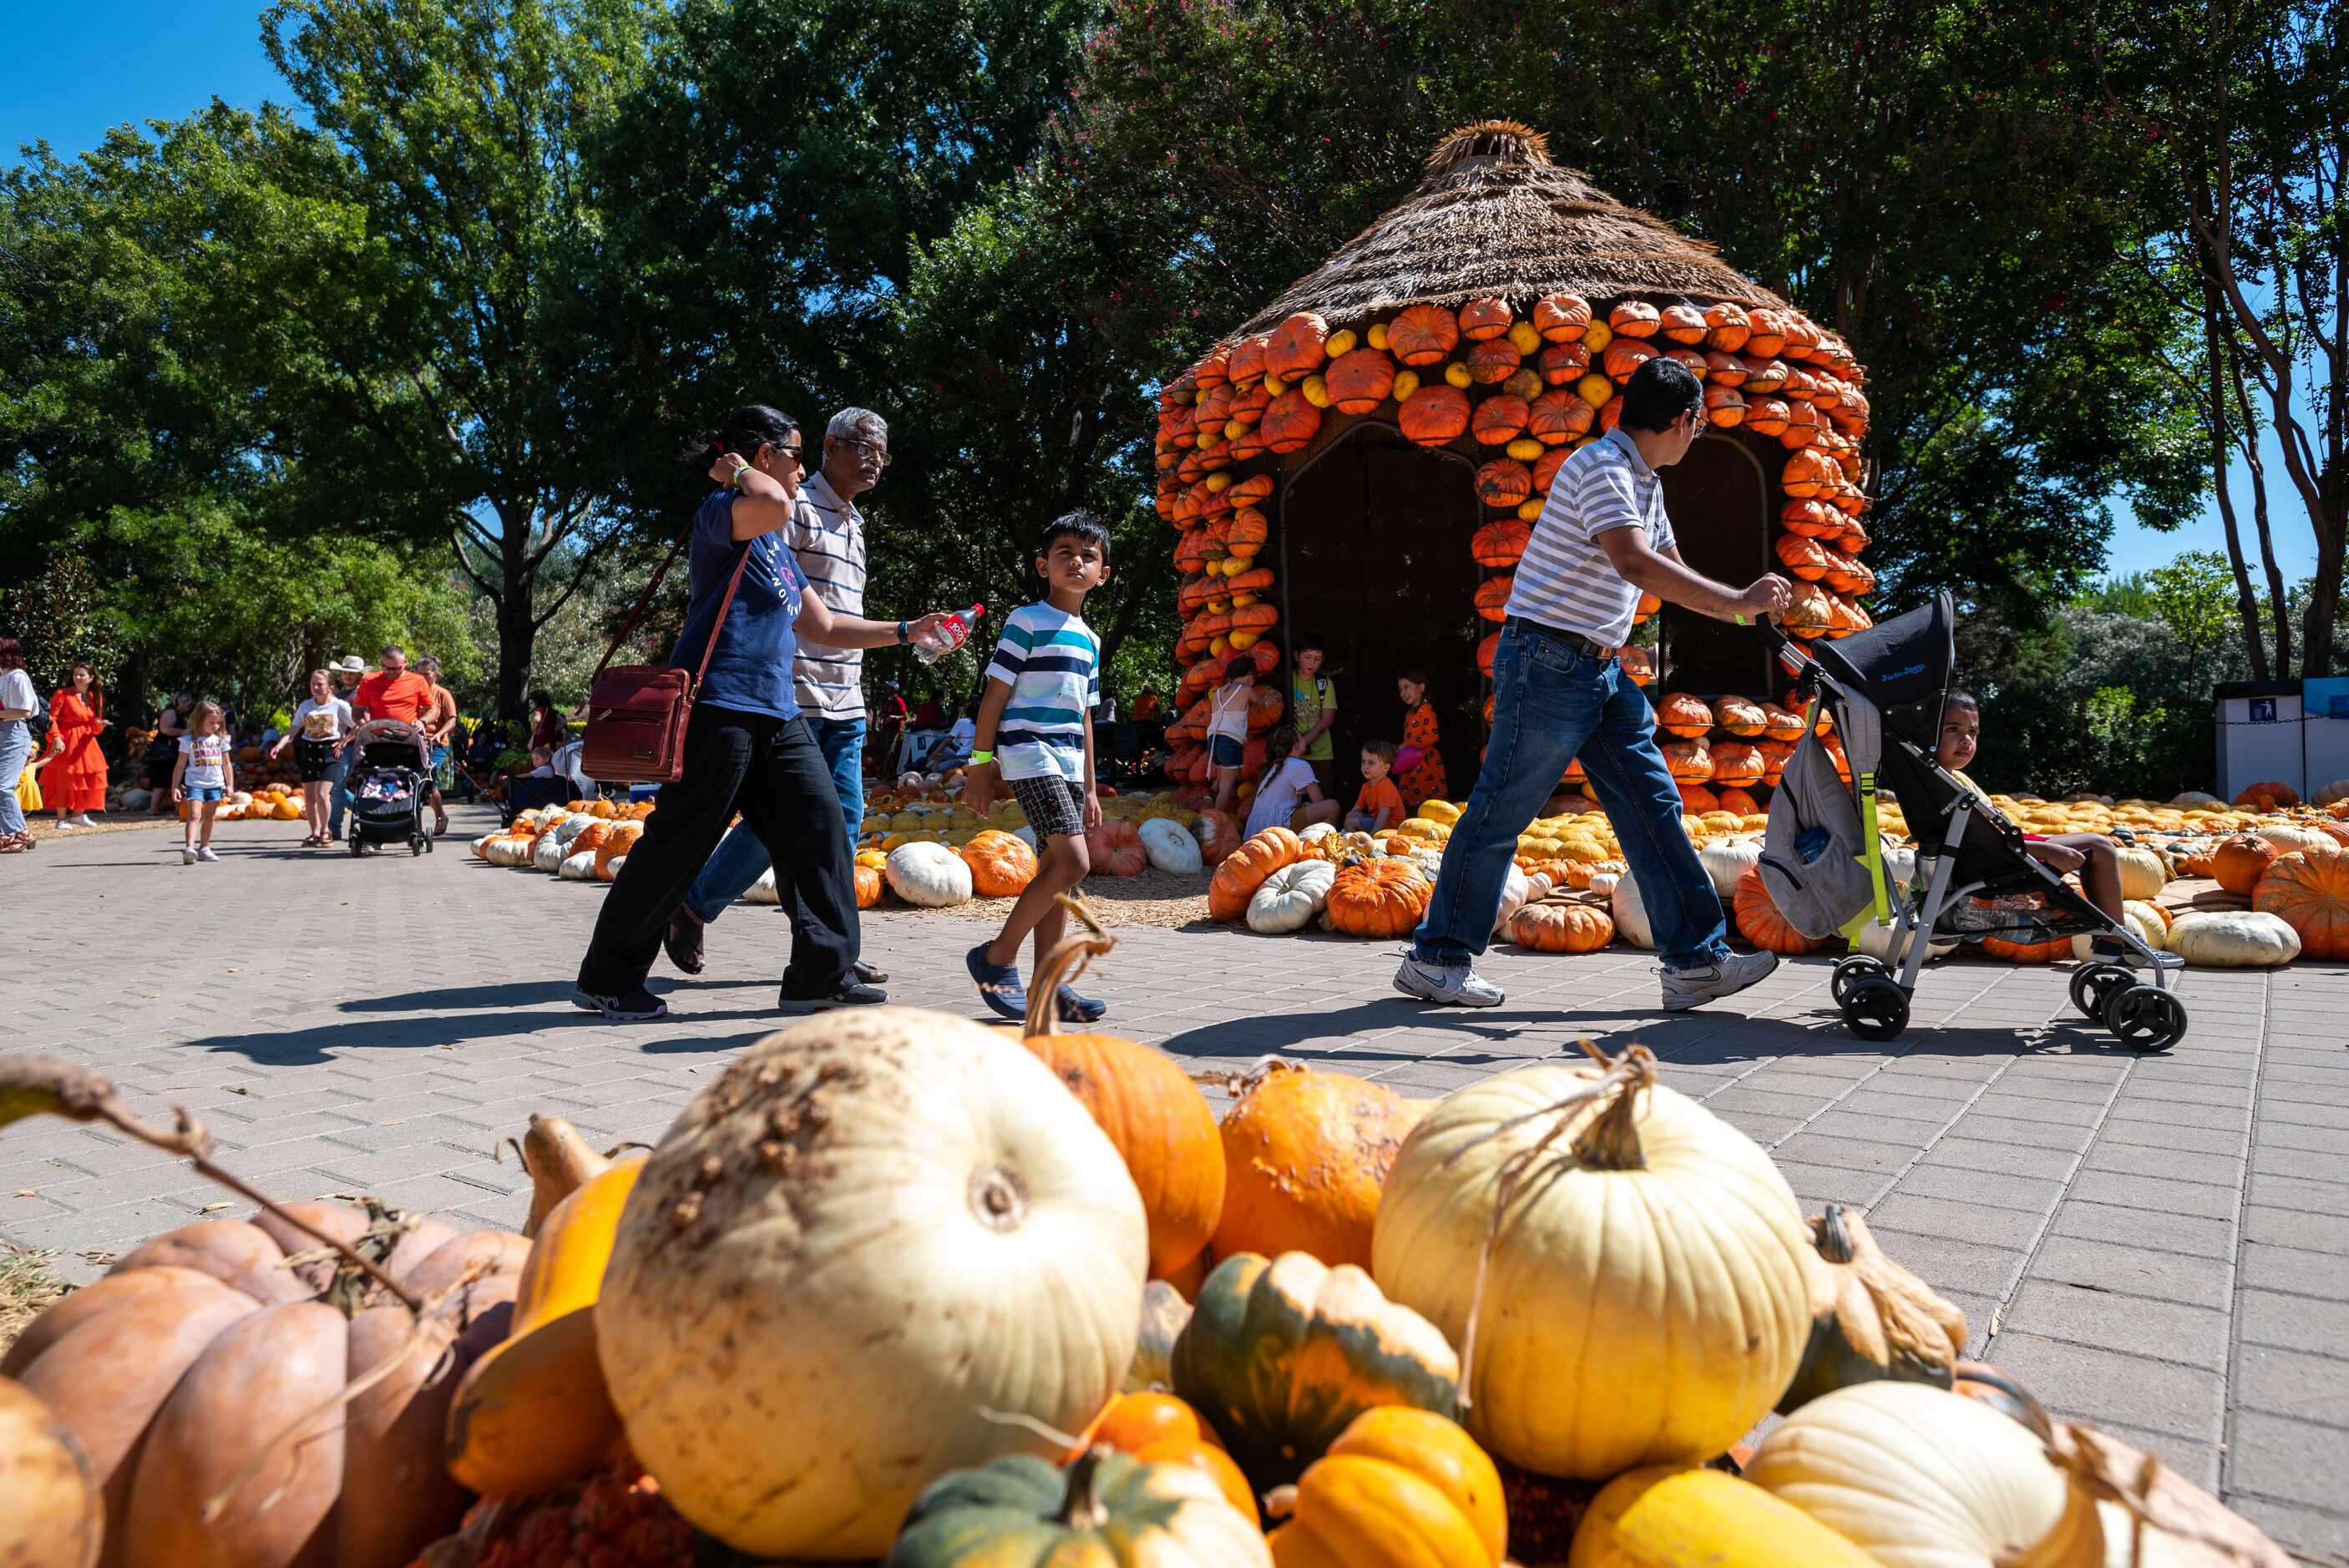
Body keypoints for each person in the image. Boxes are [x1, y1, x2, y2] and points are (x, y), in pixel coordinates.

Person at [1396, 357, 1794, 1011]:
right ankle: (1436, 960)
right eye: (1698, 424)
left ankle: (1694, 961)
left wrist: (1737, 603)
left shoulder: (1644, 483)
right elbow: (1633, 562)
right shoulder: (1598, 467)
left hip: (1598, 671)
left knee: (1652, 806)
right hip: (1548, 662)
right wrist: (1738, 604)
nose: (1696, 435)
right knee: (1501, 810)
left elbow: (1666, 564)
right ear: (1682, 419)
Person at [573, 404, 948, 1021]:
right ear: (764, 456)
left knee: (822, 824)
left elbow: (823, 624)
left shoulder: (773, 545)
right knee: (678, 841)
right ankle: (607, 978)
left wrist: (910, 631)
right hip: (718, 701)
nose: (802, 469)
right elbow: (772, 502)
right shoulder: (725, 514)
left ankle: (818, 976)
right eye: (795, 454)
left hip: (777, 710)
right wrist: (739, 469)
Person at [665, 407, 896, 986]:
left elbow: (838, 618)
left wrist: (909, 631)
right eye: (862, 447)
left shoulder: (854, 521)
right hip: (791, 693)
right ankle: (701, 906)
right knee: (788, 826)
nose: (873, 461)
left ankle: (830, 945)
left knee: (837, 824)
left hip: (844, 695)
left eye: (882, 453)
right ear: (827, 447)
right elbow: (772, 597)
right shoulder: (794, 504)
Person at [964, 511, 1113, 1023]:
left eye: (1088, 556)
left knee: (1060, 876)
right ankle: (996, 956)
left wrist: (1091, 787)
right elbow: (995, 696)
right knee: (1073, 863)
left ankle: (1047, 988)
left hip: (1069, 764)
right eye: (1064, 553)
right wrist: (980, 764)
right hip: (1029, 752)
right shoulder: (1025, 622)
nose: (1076, 561)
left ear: (1103, 574)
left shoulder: (1090, 639)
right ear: (1042, 565)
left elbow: (1085, 715)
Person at [1935, 691, 2129, 949]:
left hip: (2007, 848)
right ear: (1928, 733)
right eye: (1953, 729)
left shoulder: (1947, 777)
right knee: (2100, 848)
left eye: (1973, 733)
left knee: (2098, 843)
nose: (1966, 740)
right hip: (2000, 858)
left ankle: (2114, 940)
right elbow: (1976, 842)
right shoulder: (1943, 786)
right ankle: (2115, 943)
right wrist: (2044, 849)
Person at [271, 669, 353, 847]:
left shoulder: (340, 706)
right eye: (312, 684)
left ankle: (326, 831)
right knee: (309, 796)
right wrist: (280, 744)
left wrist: (343, 742)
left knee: (323, 794)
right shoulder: (306, 706)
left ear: (331, 686)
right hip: (309, 750)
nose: (315, 687)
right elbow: (294, 728)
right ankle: (315, 832)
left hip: (330, 751)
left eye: (320, 684)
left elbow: (356, 727)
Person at [1246, 721, 1339, 836]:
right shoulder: (1299, 765)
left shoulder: (1273, 767)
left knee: (1309, 807)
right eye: (1301, 737)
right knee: (1332, 807)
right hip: (1278, 826)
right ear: (1296, 744)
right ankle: (1325, 843)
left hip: (1257, 830)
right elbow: (1319, 801)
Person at [45, 662, 109, 828]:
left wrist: (100, 725)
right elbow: (51, 719)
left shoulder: (96, 697)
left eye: (81, 675)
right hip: (67, 740)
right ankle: (61, 819)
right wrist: (56, 738)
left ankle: (78, 815)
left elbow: (95, 726)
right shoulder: (63, 694)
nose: (77, 678)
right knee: (65, 778)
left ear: (91, 678)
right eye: (75, 675)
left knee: (88, 776)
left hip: (86, 742)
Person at [172, 701, 235, 865]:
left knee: (210, 817)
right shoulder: (188, 740)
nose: (215, 726)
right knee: (193, 816)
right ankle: (190, 849)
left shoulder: (221, 740)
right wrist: (175, 786)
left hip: (215, 784)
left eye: (218, 723)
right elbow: (180, 765)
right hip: (195, 783)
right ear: (200, 720)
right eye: (211, 723)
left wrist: (230, 785)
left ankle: (205, 848)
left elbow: (226, 764)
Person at [0, 638, 38, 853]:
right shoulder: (3, 678)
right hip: (3, 733)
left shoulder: (17, 676)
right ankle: (7, 834)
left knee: (3, 786)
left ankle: (22, 833)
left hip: (14, 733)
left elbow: (24, 711)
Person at [323, 658, 367, 840]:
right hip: (336, 745)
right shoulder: (339, 695)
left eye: (351, 673)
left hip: (351, 746)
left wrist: (345, 741)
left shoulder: (360, 695)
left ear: (359, 675)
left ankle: (334, 827)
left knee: (336, 786)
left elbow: (362, 723)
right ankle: (365, 811)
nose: (347, 676)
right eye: (345, 672)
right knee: (335, 787)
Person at [1205, 660, 1254, 814]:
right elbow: (1263, 704)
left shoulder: (1218, 692)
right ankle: (1216, 820)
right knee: (1226, 789)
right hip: (1230, 741)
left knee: (1225, 770)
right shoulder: (1247, 690)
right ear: (1249, 676)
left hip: (1213, 740)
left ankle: (1213, 790)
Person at [417, 655, 458, 835]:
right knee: (417, 782)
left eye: (427, 674)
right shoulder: (414, 694)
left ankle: (440, 816)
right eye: (419, 674)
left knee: (428, 780)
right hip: (416, 743)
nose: (423, 678)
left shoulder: (442, 694)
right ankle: (417, 822)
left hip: (438, 745)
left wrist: (439, 734)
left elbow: (452, 721)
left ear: (436, 675)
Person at [1290, 635, 1338, 792]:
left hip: (1321, 754)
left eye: (1317, 659)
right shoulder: (1287, 680)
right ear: (1296, 656)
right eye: (1307, 657)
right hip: (1292, 751)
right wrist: (1297, 744)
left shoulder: (1324, 683)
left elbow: (1327, 719)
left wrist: (1303, 742)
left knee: (1322, 797)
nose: (1312, 663)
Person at [1395, 670, 1446, 811]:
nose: (1403, 693)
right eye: (1400, 689)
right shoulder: (1409, 713)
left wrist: (1407, 745)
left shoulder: (1426, 710)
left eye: (1406, 687)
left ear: (1421, 688)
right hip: (1411, 763)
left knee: (1429, 803)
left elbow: (1433, 736)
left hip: (1426, 763)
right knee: (1412, 803)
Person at [1347, 739, 1406, 833]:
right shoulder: (1366, 786)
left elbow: (1384, 814)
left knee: (1350, 822)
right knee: (1350, 816)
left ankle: (1357, 843)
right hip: (1377, 820)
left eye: (1371, 763)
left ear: (1386, 767)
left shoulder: (1385, 786)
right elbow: (1356, 810)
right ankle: (1358, 839)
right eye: (1363, 761)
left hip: (1391, 826)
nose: (1365, 766)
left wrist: (1373, 835)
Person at [147, 693, 191, 813]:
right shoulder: (170, 713)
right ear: (181, 702)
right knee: (161, 782)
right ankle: (154, 808)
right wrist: (184, 732)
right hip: (165, 753)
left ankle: (178, 808)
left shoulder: (179, 714)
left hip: (173, 752)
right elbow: (165, 729)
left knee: (172, 781)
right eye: (187, 703)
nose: (189, 705)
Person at [529, 689, 566, 754]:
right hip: (552, 737)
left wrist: (534, 727)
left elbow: (537, 722)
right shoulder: (552, 711)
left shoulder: (540, 710)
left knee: (540, 756)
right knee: (550, 755)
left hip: (541, 738)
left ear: (537, 700)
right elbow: (562, 721)